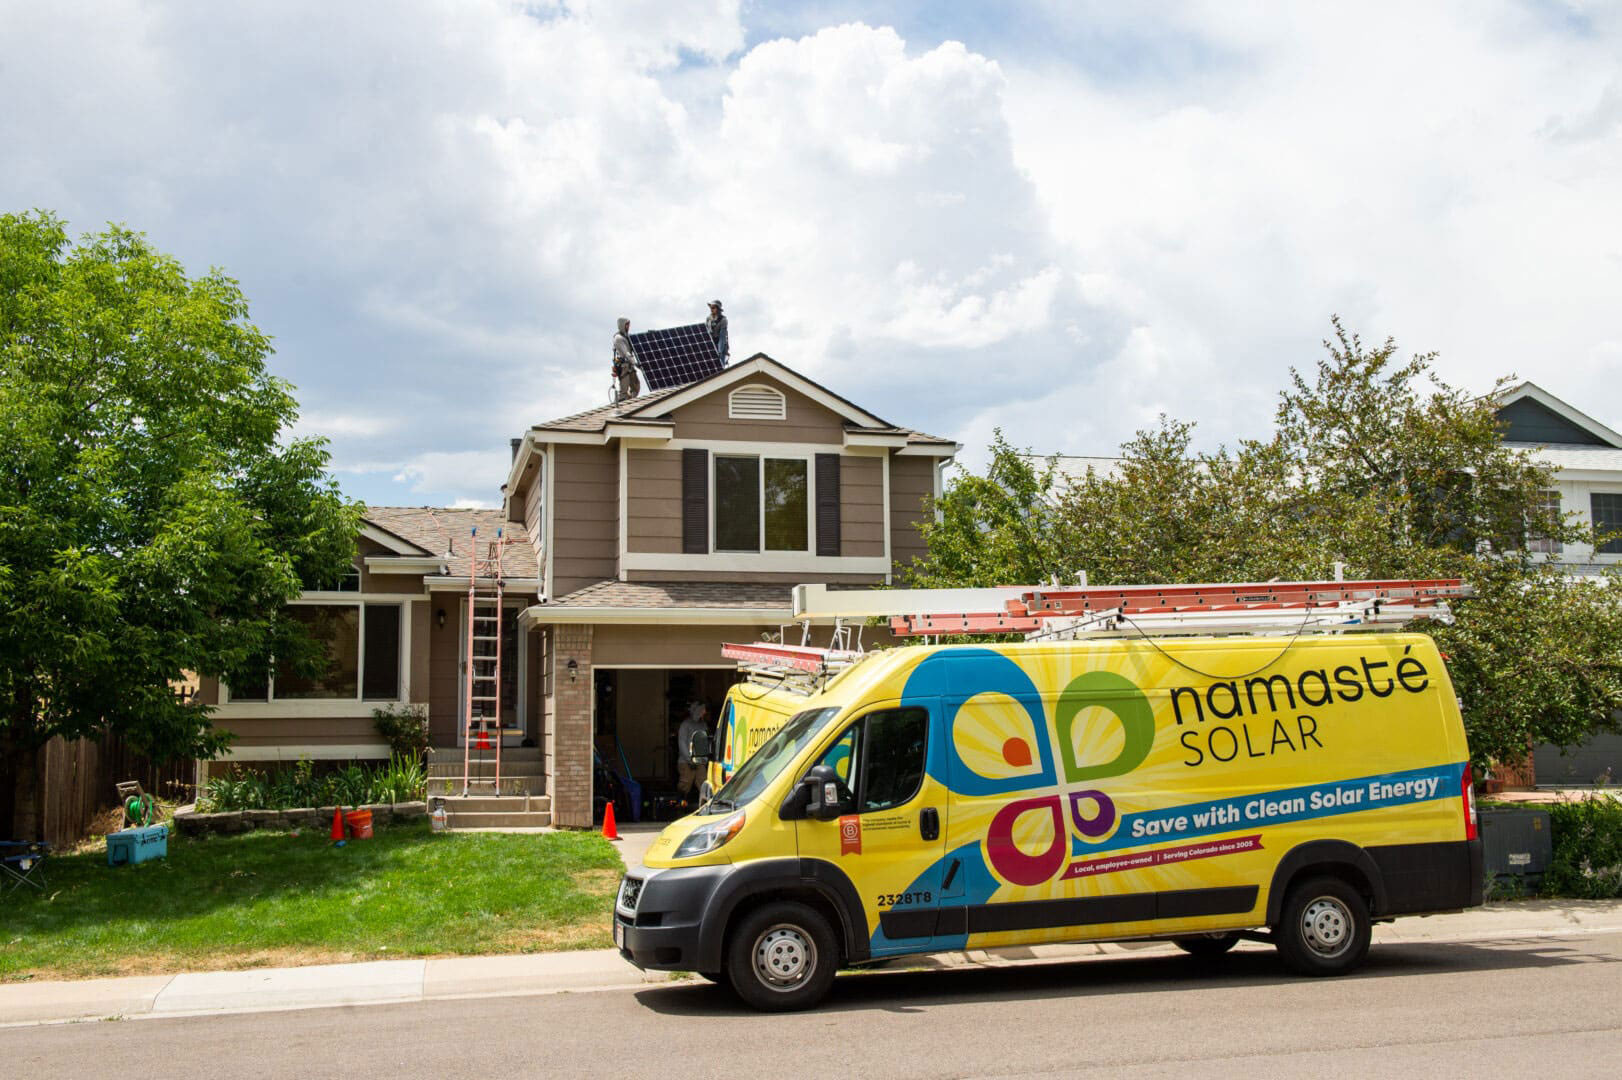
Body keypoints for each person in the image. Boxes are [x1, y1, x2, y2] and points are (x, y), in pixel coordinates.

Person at [676, 701, 708, 798]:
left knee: (704, 784)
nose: (704, 713)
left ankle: (705, 805)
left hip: (699, 761)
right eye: (702, 711)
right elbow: (682, 742)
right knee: (685, 784)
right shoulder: (685, 725)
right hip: (686, 762)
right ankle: (680, 805)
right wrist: (689, 759)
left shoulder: (702, 725)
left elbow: (704, 742)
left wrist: (704, 758)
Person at [612, 317, 640, 401]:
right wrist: (635, 363)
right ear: (622, 325)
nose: (628, 327)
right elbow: (626, 353)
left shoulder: (626, 337)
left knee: (636, 387)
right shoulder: (618, 338)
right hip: (624, 367)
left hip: (630, 366)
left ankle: (631, 402)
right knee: (623, 391)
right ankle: (619, 405)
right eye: (627, 325)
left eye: (629, 325)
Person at [705, 300, 729, 365]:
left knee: (719, 364)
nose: (711, 310)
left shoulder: (723, 320)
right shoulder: (708, 319)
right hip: (711, 345)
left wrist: (719, 351)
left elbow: (722, 337)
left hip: (720, 345)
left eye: (713, 308)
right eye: (711, 308)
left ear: (718, 309)